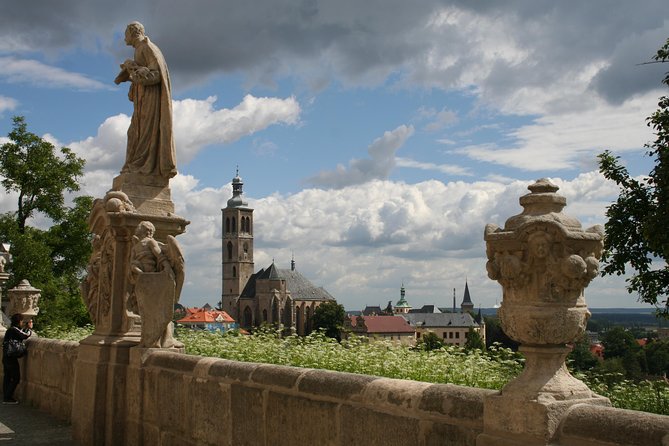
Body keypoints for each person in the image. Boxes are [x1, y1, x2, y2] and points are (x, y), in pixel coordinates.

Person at [114, 21, 177, 179]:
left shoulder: (147, 47)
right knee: (134, 133)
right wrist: (131, 73)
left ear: (132, 32)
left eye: (125, 35)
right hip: (142, 101)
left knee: (144, 134)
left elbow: (156, 75)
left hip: (151, 101)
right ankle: (134, 166)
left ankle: (140, 167)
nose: (124, 39)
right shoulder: (139, 49)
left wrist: (133, 69)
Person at [2, 314, 32, 404]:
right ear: (19, 321)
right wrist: (30, 328)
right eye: (22, 321)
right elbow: (25, 336)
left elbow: (21, 333)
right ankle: (8, 398)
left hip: (6, 357)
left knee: (7, 377)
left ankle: (6, 396)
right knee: (16, 378)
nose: (22, 323)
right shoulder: (14, 330)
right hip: (11, 358)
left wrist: (26, 328)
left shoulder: (10, 330)